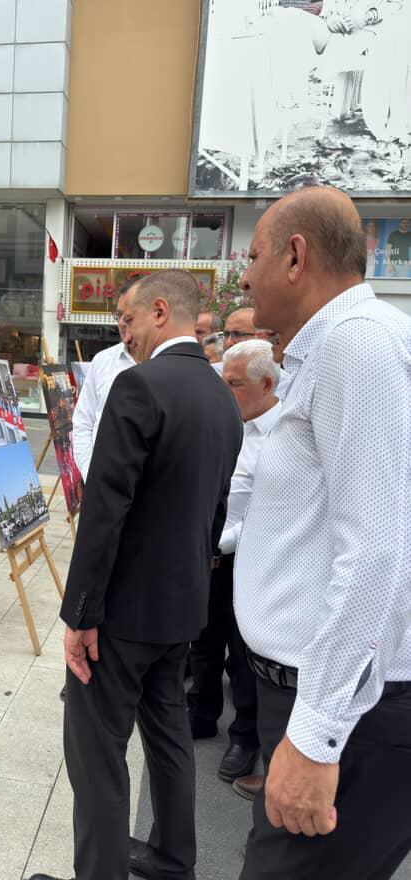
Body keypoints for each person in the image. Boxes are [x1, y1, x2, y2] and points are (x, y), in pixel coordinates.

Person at [27, 269, 243, 880]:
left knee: (96, 752)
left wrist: (80, 615)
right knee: (169, 736)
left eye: (128, 319)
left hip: (123, 613)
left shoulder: (139, 386)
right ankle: (175, 860)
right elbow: (215, 510)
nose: (127, 335)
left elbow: (105, 508)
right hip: (182, 606)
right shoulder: (222, 397)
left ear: (158, 311)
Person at [235, 185, 411, 880]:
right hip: (333, 703)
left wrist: (316, 738)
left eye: (253, 256)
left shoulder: (356, 347)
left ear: (295, 257)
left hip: (352, 714)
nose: (244, 277)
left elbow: (375, 551)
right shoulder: (334, 349)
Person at [187, 340, 281, 786]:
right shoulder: (224, 423)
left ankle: (245, 735)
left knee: (243, 654)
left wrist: (219, 544)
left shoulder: (284, 435)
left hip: (247, 557)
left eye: (236, 384)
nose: (227, 392)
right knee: (204, 640)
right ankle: (202, 711)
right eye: (223, 382)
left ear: (267, 383)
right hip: (209, 553)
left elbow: (270, 510)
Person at [71, 278, 143, 482]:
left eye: (129, 316)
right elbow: (83, 420)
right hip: (101, 482)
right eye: (118, 315)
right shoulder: (103, 361)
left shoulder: (164, 363)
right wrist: (89, 471)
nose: (122, 322)